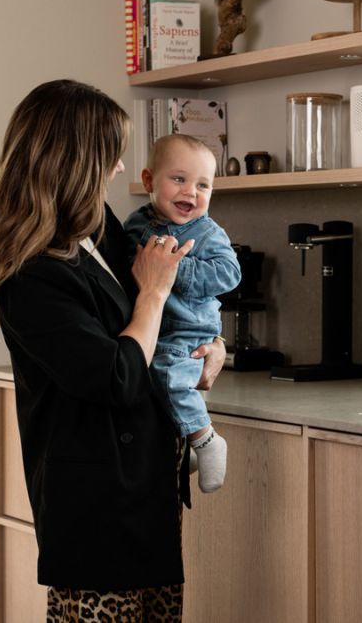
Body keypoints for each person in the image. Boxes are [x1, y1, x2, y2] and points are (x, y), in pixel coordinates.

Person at [0, 79, 226, 621]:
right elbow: (117, 376)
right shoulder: (31, 272)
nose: (117, 169)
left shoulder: (98, 226)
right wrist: (156, 292)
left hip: (147, 486)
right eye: (110, 155)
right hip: (93, 502)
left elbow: (156, 326)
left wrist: (213, 346)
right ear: (76, 159)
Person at [124, 134, 241, 493]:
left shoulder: (207, 232)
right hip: (152, 329)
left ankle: (206, 439)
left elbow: (230, 273)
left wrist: (175, 269)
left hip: (188, 330)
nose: (191, 192)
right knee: (156, 384)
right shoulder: (134, 224)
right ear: (148, 181)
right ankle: (187, 441)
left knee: (171, 376)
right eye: (179, 179)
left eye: (203, 185)